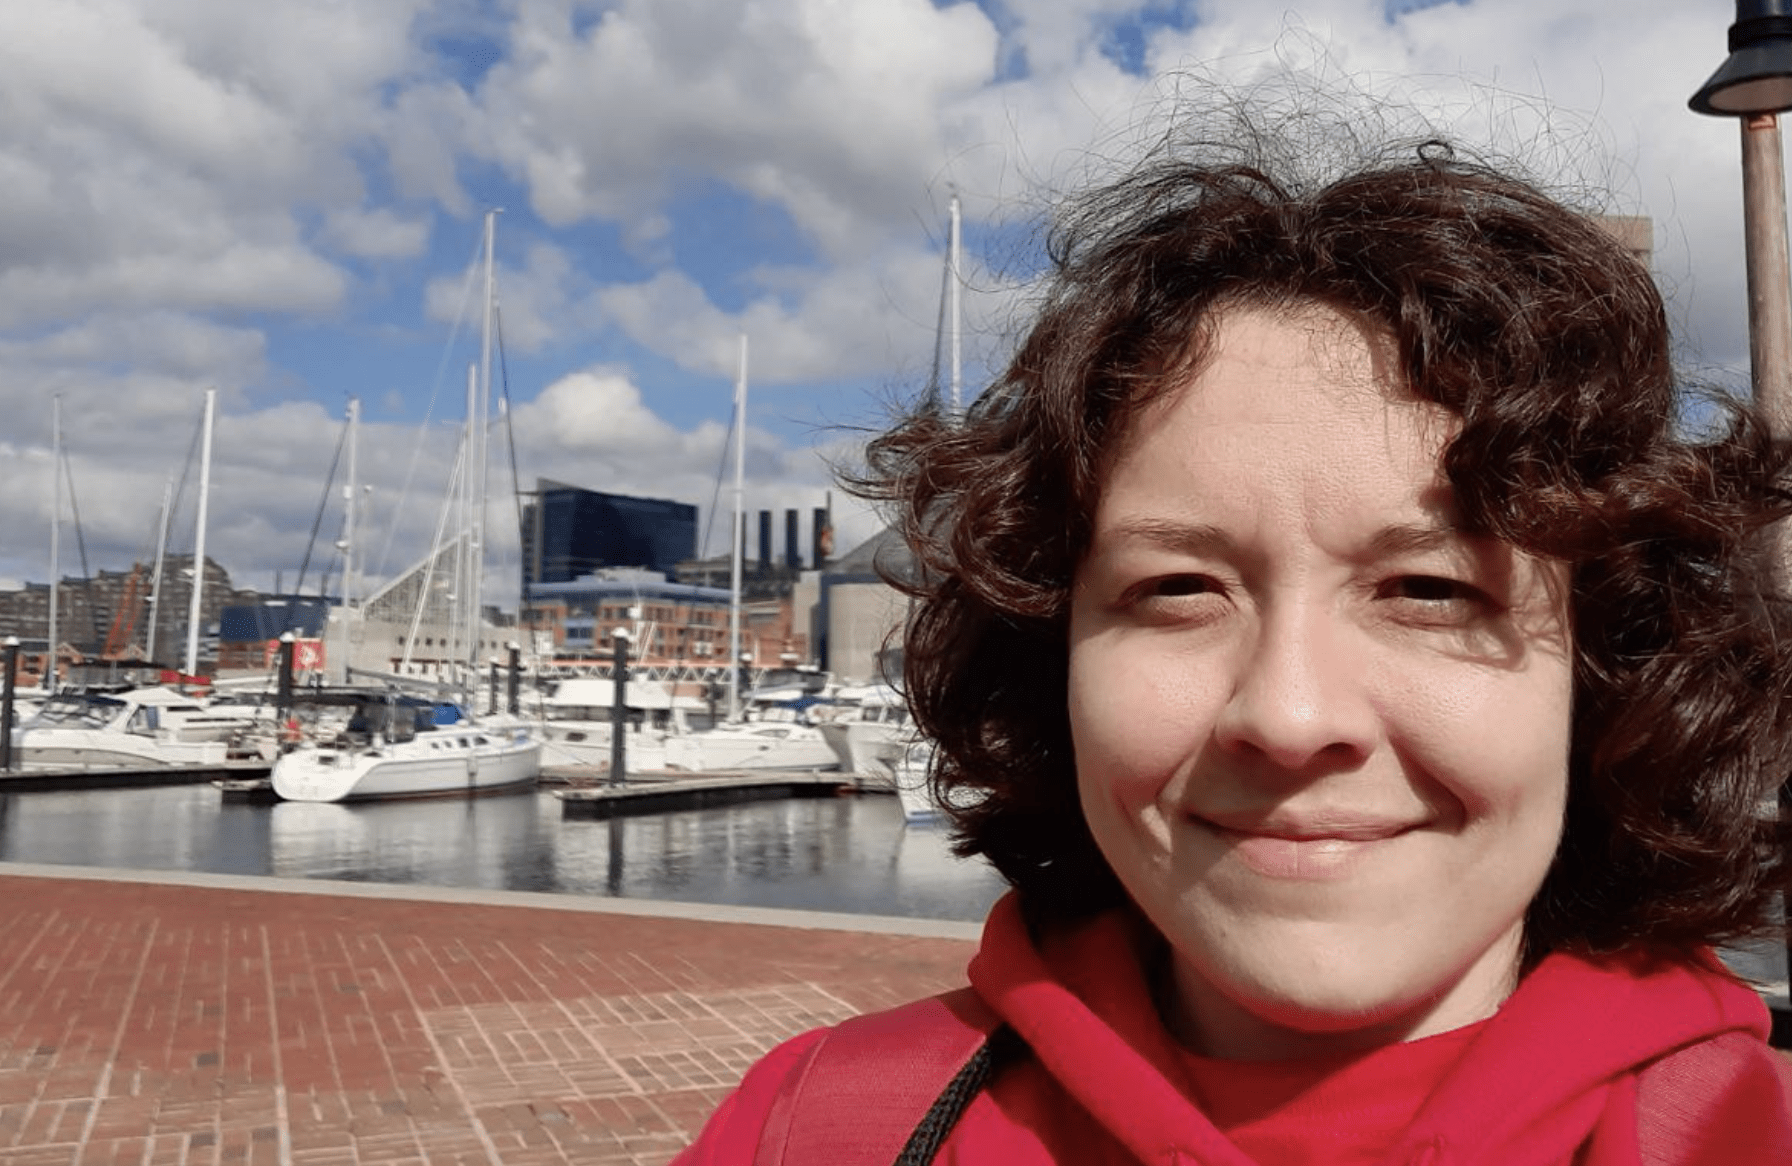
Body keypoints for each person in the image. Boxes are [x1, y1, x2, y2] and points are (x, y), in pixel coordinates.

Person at [673, 134, 1792, 1164]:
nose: (1290, 713)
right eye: (1176, 587)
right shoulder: (820, 1125)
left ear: (1604, 672)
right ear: (1050, 655)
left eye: (1426, 588)